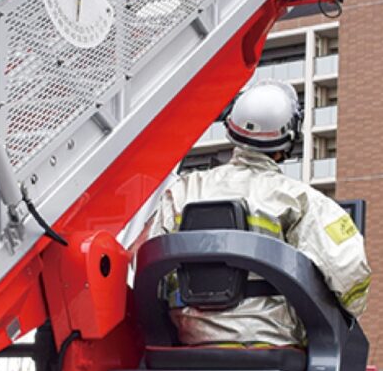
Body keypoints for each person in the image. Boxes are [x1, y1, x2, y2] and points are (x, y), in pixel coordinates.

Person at [149, 80, 371, 349]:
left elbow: (148, 267)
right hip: (274, 346)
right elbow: (350, 272)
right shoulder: (302, 200)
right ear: (288, 138)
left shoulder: (182, 191)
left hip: (190, 341)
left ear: (231, 128)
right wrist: (346, 314)